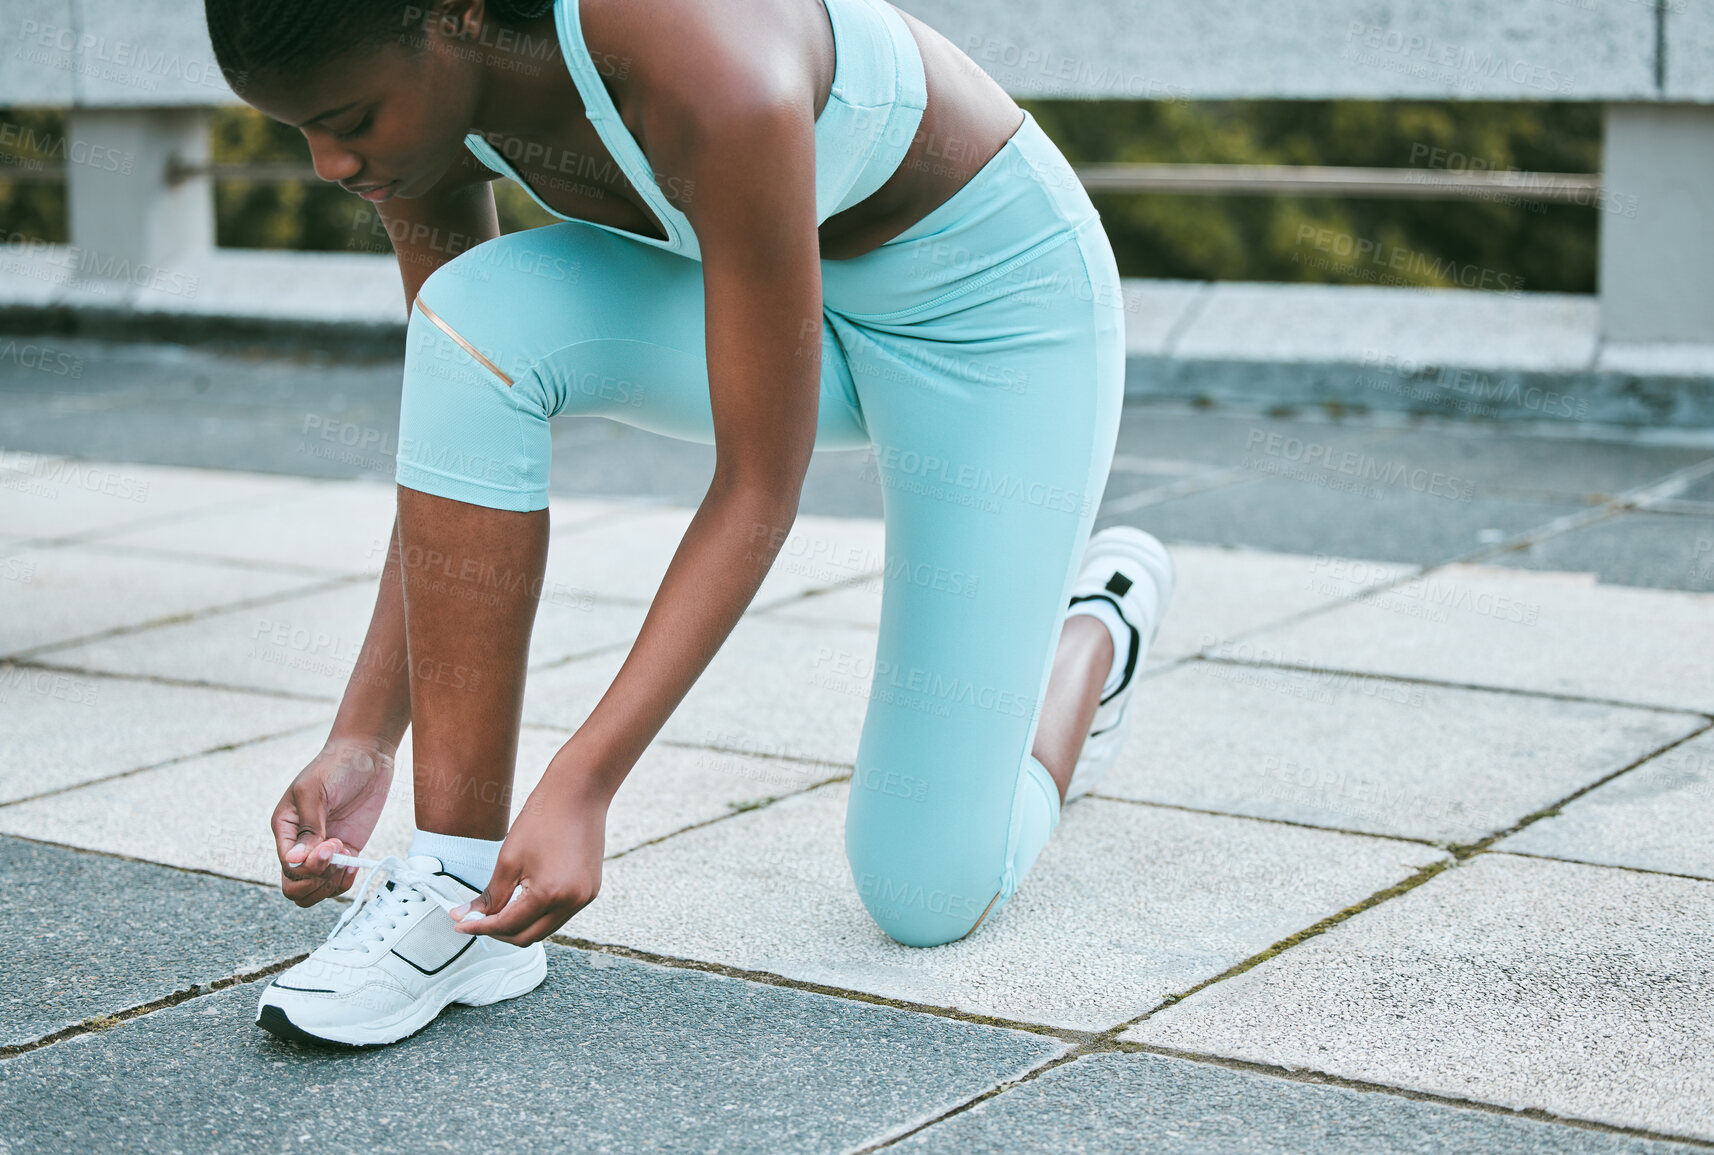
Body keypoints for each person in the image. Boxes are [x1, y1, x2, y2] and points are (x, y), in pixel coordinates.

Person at [206, 0, 1176, 1048]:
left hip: (991, 329)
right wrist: (362, 735)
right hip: (771, 297)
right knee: (465, 323)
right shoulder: (425, 112)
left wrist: (584, 783)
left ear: (459, 13)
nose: (328, 164)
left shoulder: (716, 68)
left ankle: (1092, 633)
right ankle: (458, 889)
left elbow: (761, 482)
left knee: (927, 894)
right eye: (298, 128)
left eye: (347, 117)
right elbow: (448, 444)